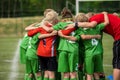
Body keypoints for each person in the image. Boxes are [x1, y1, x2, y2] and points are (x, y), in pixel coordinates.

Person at [27, 10, 59, 80]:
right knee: (51, 73)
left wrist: (38, 27)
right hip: (50, 53)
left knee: (46, 72)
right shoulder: (56, 27)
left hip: (41, 53)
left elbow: (29, 34)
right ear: (55, 19)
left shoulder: (41, 27)